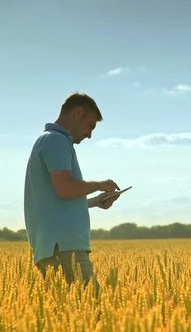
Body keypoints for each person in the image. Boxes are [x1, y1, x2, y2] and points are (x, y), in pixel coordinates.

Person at [24, 92, 120, 293]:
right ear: (77, 113)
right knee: (92, 313)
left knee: (72, 316)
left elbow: (57, 198)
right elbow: (66, 188)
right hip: (64, 247)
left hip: (56, 245)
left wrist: (96, 201)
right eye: (90, 126)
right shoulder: (55, 141)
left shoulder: (50, 140)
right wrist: (99, 184)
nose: (90, 134)